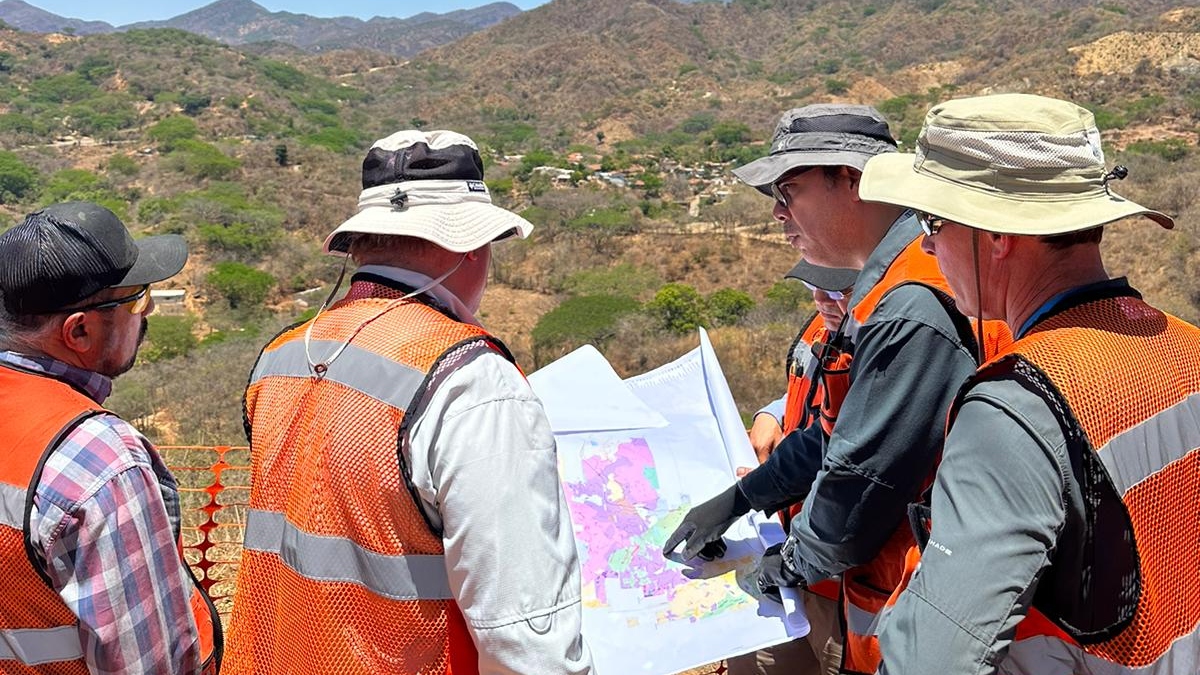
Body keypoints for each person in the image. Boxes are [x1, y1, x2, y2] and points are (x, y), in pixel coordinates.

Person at [224, 129, 594, 675]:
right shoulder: (473, 383)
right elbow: (527, 639)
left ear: (363, 243)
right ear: (473, 246)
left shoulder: (280, 357)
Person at [858, 93, 1200, 673]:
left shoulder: (1017, 404)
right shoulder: (1185, 344)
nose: (928, 244)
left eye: (935, 222)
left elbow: (931, 660)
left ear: (996, 234)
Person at [664, 104, 1004, 674]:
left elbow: (864, 474)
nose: (776, 212)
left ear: (853, 180)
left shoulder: (910, 305)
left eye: (788, 189)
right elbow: (832, 434)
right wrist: (744, 497)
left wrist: (793, 563)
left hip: (925, 618)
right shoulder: (885, 287)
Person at [0, 202, 221, 674]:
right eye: (136, 299)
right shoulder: (99, 460)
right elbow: (151, 664)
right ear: (79, 330)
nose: (149, 313)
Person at [738, 259, 856, 675]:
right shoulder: (820, 328)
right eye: (814, 285)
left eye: (839, 288)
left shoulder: (896, 343)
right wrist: (771, 412)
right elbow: (807, 393)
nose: (821, 297)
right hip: (777, 555)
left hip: (839, 582)